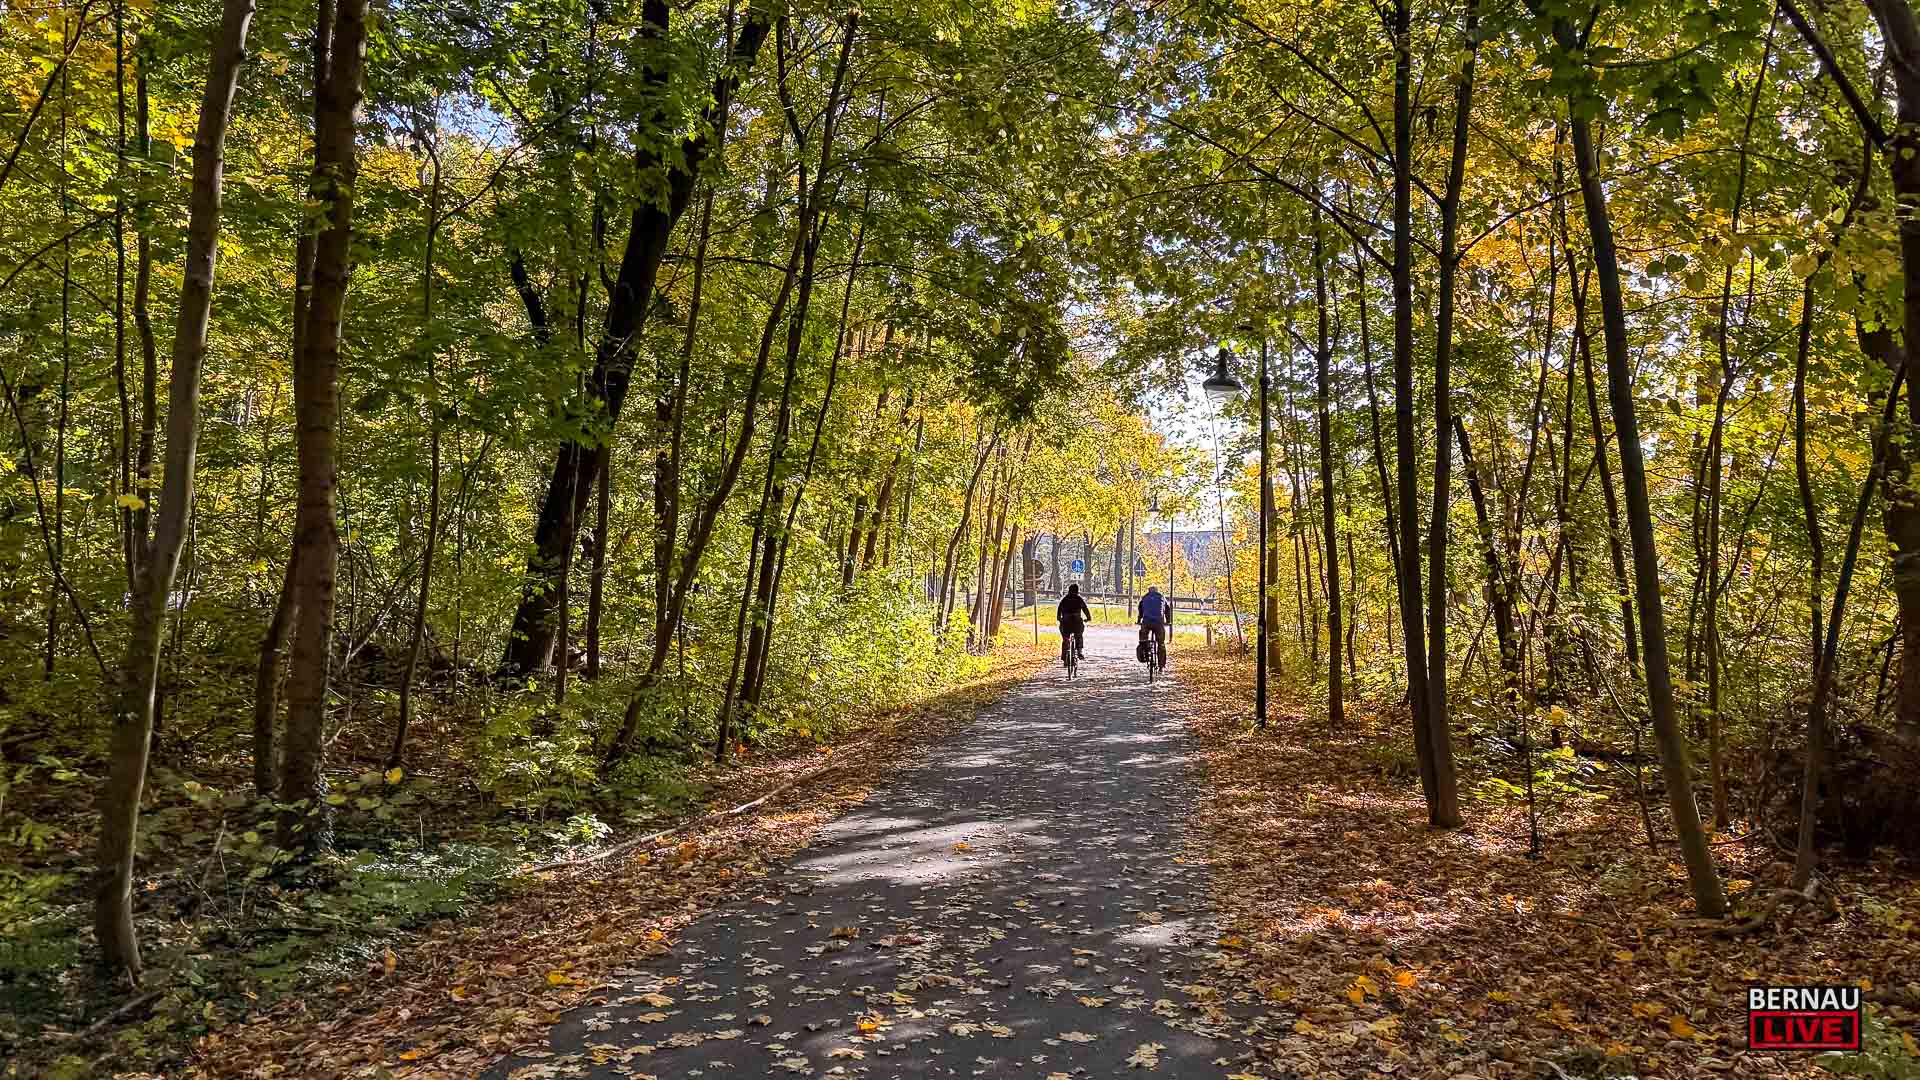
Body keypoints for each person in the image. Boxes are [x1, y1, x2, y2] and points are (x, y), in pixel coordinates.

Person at [1137, 585, 1172, 667]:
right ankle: (1161, 666)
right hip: (1158, 623)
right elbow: (1167, 609)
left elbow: (1140, 610)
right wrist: (1168, 621)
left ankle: (1145, 650)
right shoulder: (1162, 597)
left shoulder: (1145, 597)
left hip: (1147, 622)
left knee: (1143, 638)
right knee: (1161, 644)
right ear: (1157, 590)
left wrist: (1139, 620)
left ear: (1149, 591)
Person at [1056, 583, 1091, 660]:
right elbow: (1085, 609)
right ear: (1077, 591)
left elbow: (1059, 610)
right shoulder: (1079, 599)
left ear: (1069, 590)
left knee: (1065, 638)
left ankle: (1064, 655)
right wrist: (1088, 618)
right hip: (1076, 621)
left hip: (1066, 622)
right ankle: (1079, 652)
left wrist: (1059, 618)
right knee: (1078, 635)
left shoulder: (1065, 599)